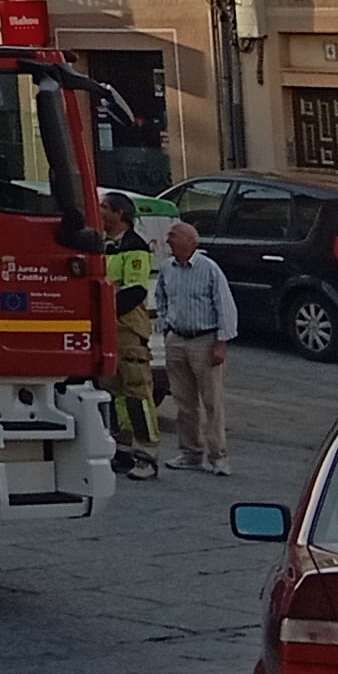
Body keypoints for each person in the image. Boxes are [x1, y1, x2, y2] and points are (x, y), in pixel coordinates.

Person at [150, 216, 237, 476]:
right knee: (183, 401)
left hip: (204, 340)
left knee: (211, 401)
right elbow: (161, 297)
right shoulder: (168, 268)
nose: (168, 241)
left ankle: (218, 456)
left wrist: (221, 342)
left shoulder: (209, 269)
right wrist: (168, 325)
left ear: (190, 241)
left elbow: (225, 306)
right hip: (177, 339)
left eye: (173, 236)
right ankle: (190, 452)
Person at [101, 193, 161, 479]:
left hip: (127, 329)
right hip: (108, 328)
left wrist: (105, 306)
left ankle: (147, 455)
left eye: (104, 207)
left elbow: (134, 290)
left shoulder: (134, 247)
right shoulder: (104, 245)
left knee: (137, 392)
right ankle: (122, 450)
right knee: (114, 393)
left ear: (120, 213)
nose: (98, 211)